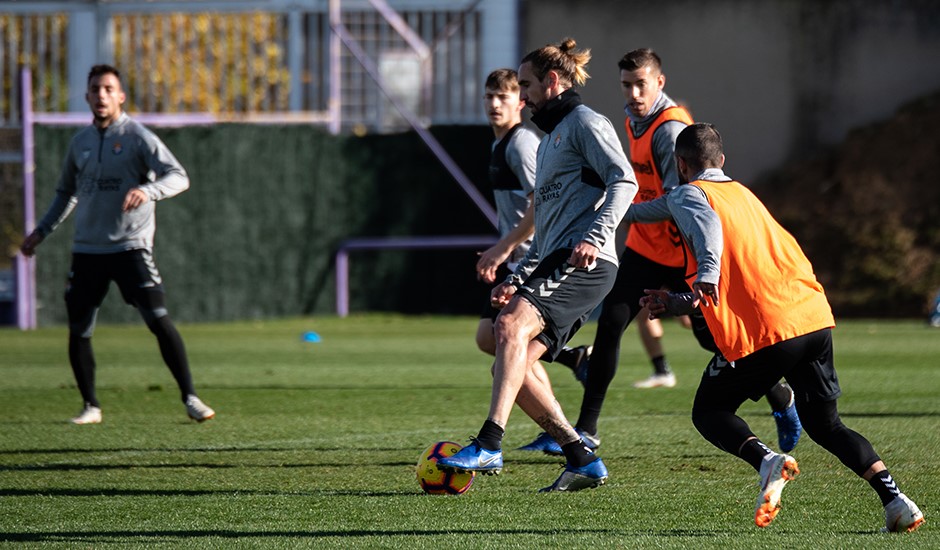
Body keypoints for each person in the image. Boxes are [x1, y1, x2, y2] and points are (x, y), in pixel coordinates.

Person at [635, 122, 924, 532]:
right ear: (722, 161)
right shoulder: (743, 194)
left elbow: (709, 241)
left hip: (769, 328)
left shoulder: (688, 193)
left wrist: (696, 280)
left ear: (681, 165)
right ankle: (896, 501)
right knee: (828, 425)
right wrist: (676, 299)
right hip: (811, 317)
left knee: (709, 411)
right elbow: (656, 215)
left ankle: (767, 461)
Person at [519, 49, 799, 456]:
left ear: (659, 83)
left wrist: (623, 215)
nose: (632, 94)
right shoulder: (634, 122)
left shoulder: (669, 130)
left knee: (716, 339)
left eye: (640, 85)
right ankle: (588, 429)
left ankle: (779, 394)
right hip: (644, 247)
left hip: (680, 249)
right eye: (626, 85)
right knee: (611, 325)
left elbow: (680, 200)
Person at [437, 38, 637, 492]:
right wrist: (517, 277)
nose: (520, 95)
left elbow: (624, 180)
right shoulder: (548, 143)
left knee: (506, 328)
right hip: (556, 261)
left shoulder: (586, 122)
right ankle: (580, 456)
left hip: (587, 262)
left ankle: (489, 442)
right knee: (511, 367)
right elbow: (545, 230)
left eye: (524, 85)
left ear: (552, 81)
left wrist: (594, 235)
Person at [19, 64, 215, 425]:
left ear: (121, 96)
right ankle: (91, 406)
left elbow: (179, 177)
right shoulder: (79, 143)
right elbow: (66, 193)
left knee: (158, 319)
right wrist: (41, 231)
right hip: (88, 250)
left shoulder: (139, 138)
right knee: (79, 328)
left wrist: (147, 190)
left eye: (109, 89)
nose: (102, 95)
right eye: (96, 89)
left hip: (130, 247)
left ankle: (191, 396)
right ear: (87, 97)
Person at [474, 68, 591, 386]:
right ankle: (572, 357)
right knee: (489, 337)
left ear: (520, 102)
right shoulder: (499, 144)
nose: (494, 104)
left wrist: (503, 248)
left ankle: (554, 426)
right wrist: (503, 248)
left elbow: (539, 208)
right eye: (489, 96)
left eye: (503, 97)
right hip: (515, 256)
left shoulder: (521, 144)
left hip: (536, 257)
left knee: (509, 343)